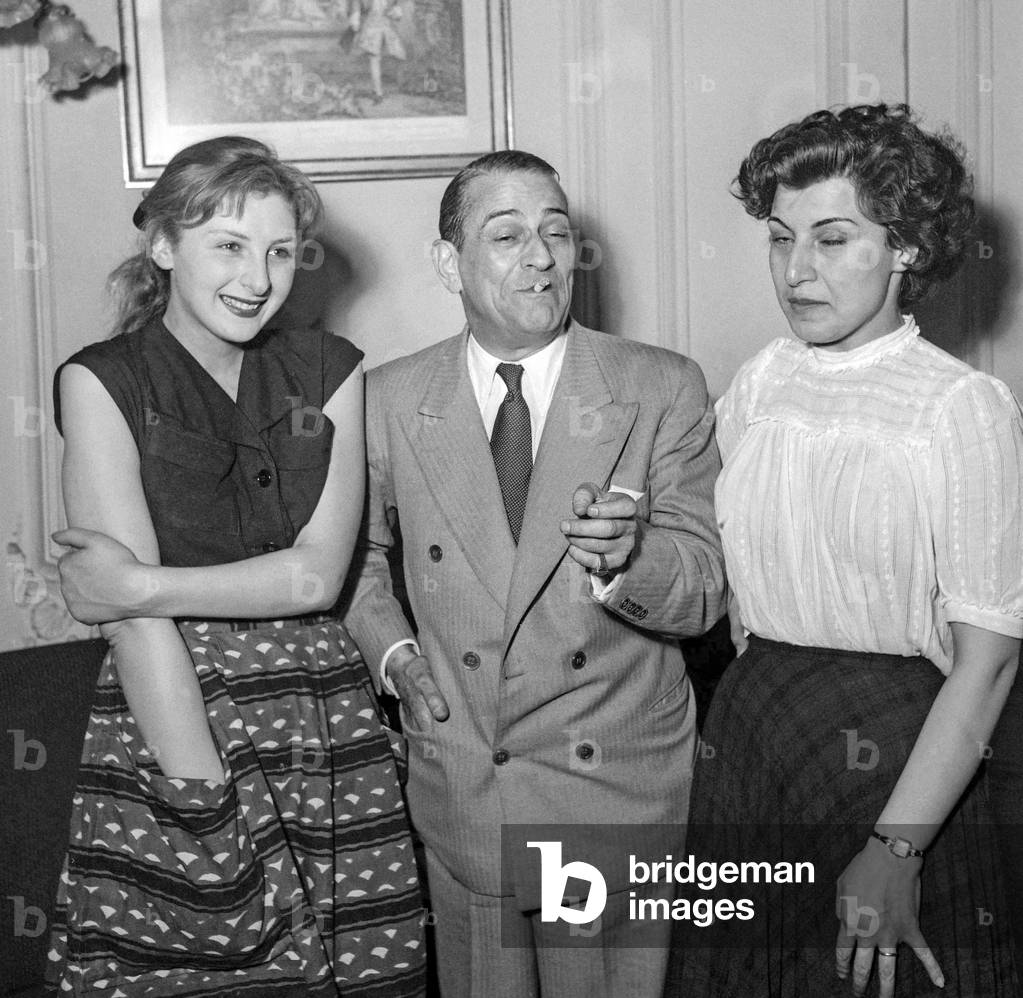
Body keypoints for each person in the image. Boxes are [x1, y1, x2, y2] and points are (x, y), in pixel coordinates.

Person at [340, 148, 727, 998]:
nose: (543, 258)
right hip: (468, 778)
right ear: (450, 263)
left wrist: (631, 559)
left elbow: (702, 591)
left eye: (556, 233)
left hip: (610, 784)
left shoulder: (659, 385)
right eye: (507, 235)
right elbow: (356, 562)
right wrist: (395, 655)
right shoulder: (388, 399)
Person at [44, 136, 426, 997]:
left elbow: (313, 580)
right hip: (176, 711)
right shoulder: (102, 381)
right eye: (229, 245)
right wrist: (200, 796)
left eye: (280, 251)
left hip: (328, 726)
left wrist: (140, 582)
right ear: (163, 244)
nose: (258, 277)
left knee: (362, 974)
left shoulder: (329, 370)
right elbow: (140, 631)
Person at [673, 104, 1022, 997]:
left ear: (904, 246)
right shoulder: (763, 378)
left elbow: (984, 666)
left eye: (831, 239)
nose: (795, 271)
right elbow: (725, 573)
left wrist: (895, 846)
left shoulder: (962, 406)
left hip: (898, 763)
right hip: (755, 736)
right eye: (779, 238)